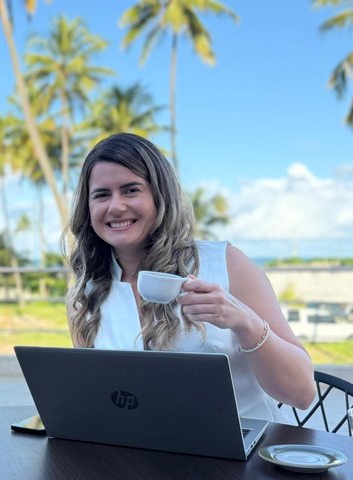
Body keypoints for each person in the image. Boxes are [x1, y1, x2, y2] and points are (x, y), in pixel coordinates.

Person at [63, 132, 315, 421]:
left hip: (247, 454)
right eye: (102, 194)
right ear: (87, 206)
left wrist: (245, 322)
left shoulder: (226, 263)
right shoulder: (85, 293)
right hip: (147, 455)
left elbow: (301, 393)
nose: (116, 206)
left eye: (131, 190)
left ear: (161, 196)